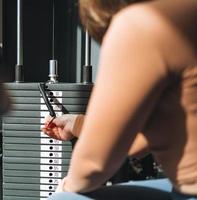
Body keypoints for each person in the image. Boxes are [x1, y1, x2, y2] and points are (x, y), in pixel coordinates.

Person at [42, 0, 197, 199]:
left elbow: (93, 164)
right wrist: (77, 124)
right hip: (179, 187)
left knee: (65, 199)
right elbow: (137, 142)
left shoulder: (143, 23)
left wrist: (65, 187)